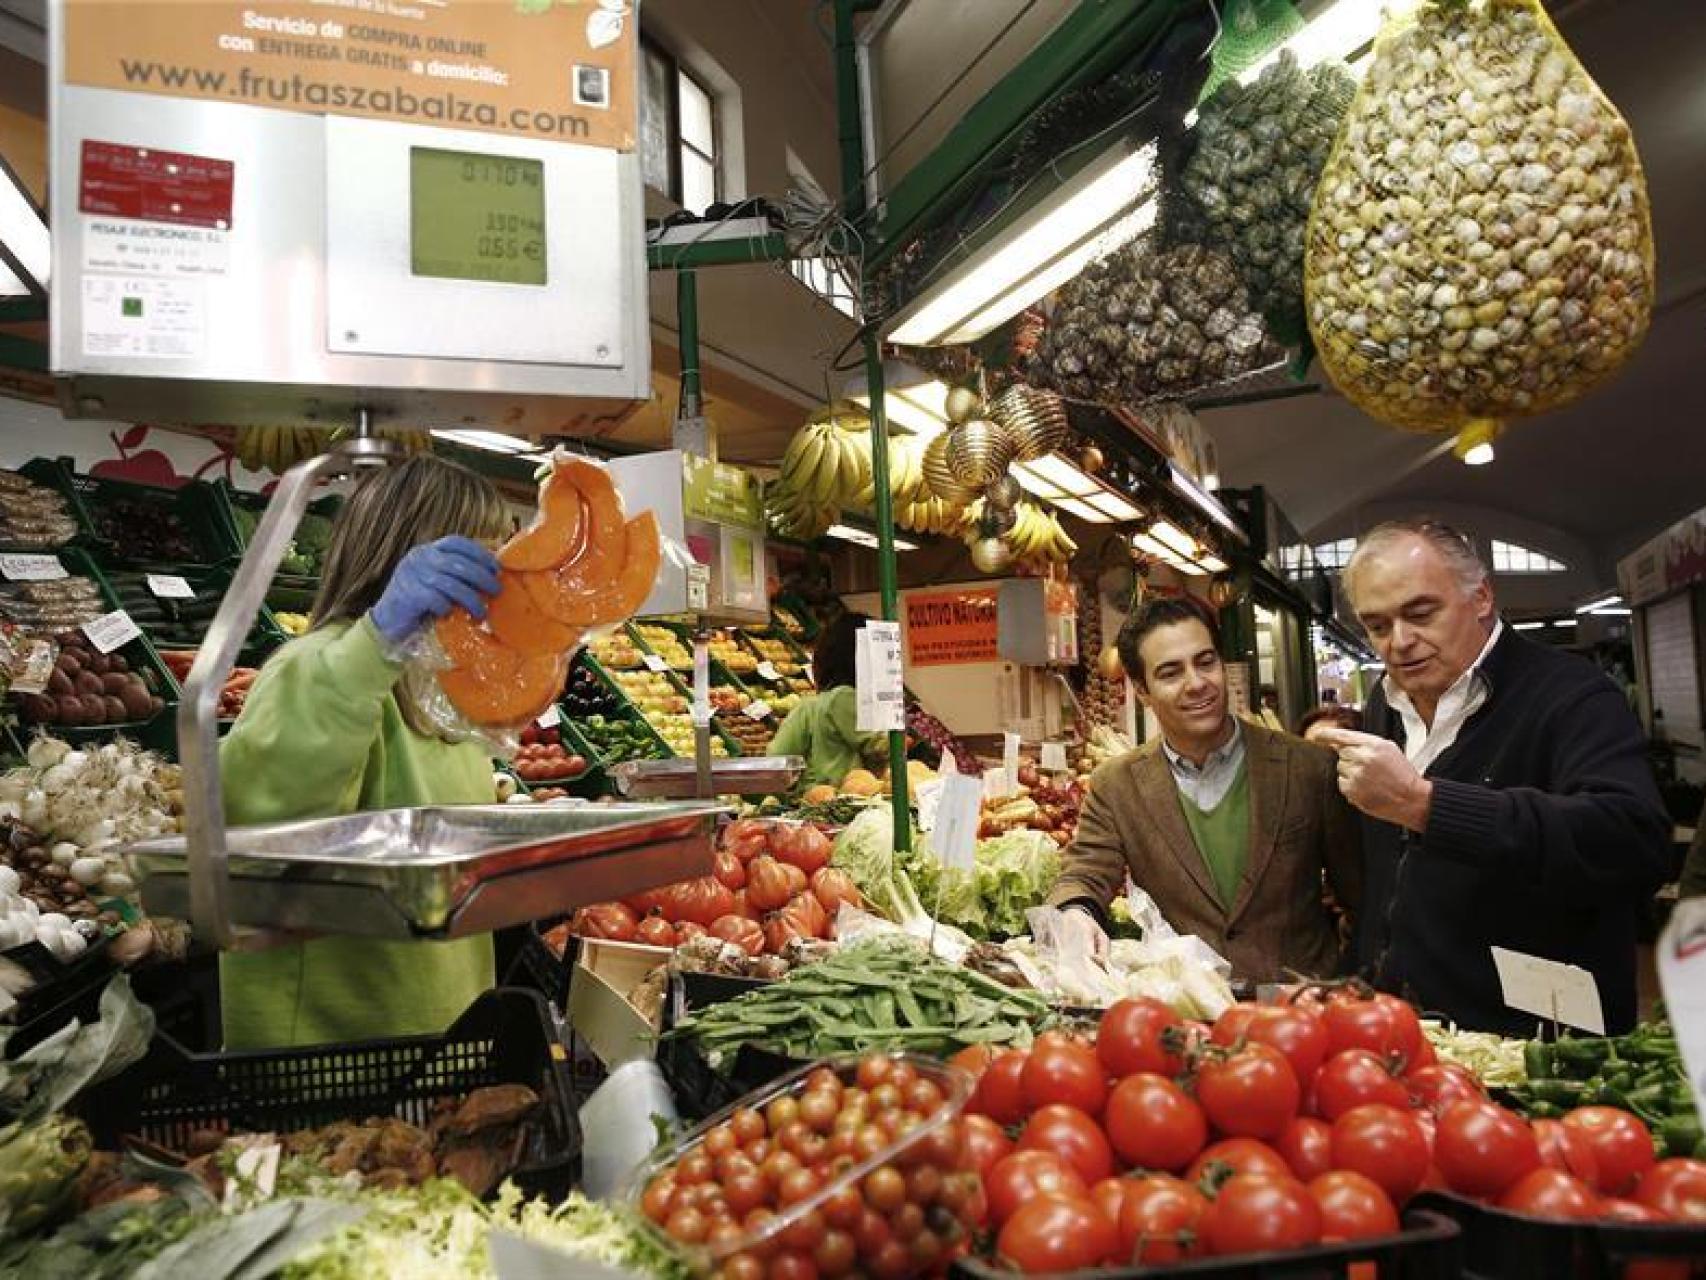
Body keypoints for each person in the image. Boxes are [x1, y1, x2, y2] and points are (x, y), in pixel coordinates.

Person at [1317, 519, 1673, 1034]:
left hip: (1530, 1041)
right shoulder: (1385, 705)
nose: (1400, 642)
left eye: (1421, 613)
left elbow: (1633, 840)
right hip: (1406, 1033)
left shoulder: (1572, 696)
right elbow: (1391, 878)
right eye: (1377, 626)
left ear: (1481, 596)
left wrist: (1426, 803)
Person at [218, 455, 510, 1049]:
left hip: (445, 1027)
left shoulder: (442, 689)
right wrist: (380, 638)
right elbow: (268, 815)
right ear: (407, 556)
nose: (499, 582)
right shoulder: (316, 668)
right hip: (331, 1053)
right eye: (481, 560)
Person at [1048, 597, 1362, 982]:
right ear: (1143, 691)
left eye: (1205, 661)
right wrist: (1076, 912)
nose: (1197, 683)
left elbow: (1361, 893)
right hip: (1190, 1011)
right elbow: (1086, 870)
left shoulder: (1309, 767)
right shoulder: (1117, 785)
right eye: (1170, 673)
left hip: (1302, 1005)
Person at [768, 610, 886, 790]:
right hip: (847, 799)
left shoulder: (808, 707)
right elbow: (882, 746)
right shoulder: (845, 698)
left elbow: (776, 758)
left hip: (816, 800)